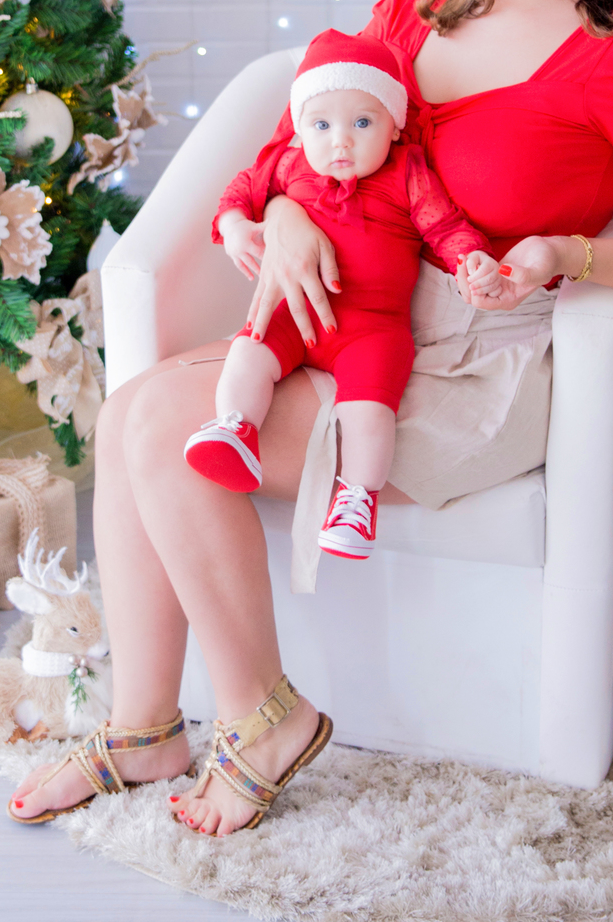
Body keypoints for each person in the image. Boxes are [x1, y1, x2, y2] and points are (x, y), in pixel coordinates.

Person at [7, 0, 613, 839]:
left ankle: (263, 718)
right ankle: (143, 729)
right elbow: (299, 149)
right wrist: (287, 216)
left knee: (161, 427)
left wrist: (570, 254)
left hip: (479, 354)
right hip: (355, 309)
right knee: (129, 416)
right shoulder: (409, 12)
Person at [184, 28, 501, 560]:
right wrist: (236, 226)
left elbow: (444, 227)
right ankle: (236, 429)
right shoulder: (290, 167)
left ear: (393, 126)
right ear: (300, 129)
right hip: (295, 312)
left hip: (371, 330)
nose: (341, 141)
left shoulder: (407, 173)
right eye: (322, 125)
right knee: (248, 350)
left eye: (362, 123)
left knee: (368, 413)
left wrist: (471, 259)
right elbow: (241, 190)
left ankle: (356, 499)